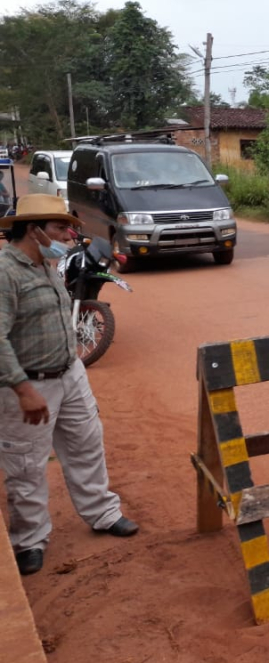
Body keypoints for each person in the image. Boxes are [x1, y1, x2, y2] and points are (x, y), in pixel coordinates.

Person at [0, 195, 138, 577]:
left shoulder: (47, 264)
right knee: (26, 465)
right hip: (28, 384)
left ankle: (103, 513)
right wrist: (22, 389)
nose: (69, 234)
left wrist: (71, 352)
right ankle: (29, 540)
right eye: (61, 228)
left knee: (87, 444)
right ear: (34, 230)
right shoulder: (6, 273)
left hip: (70, 373)